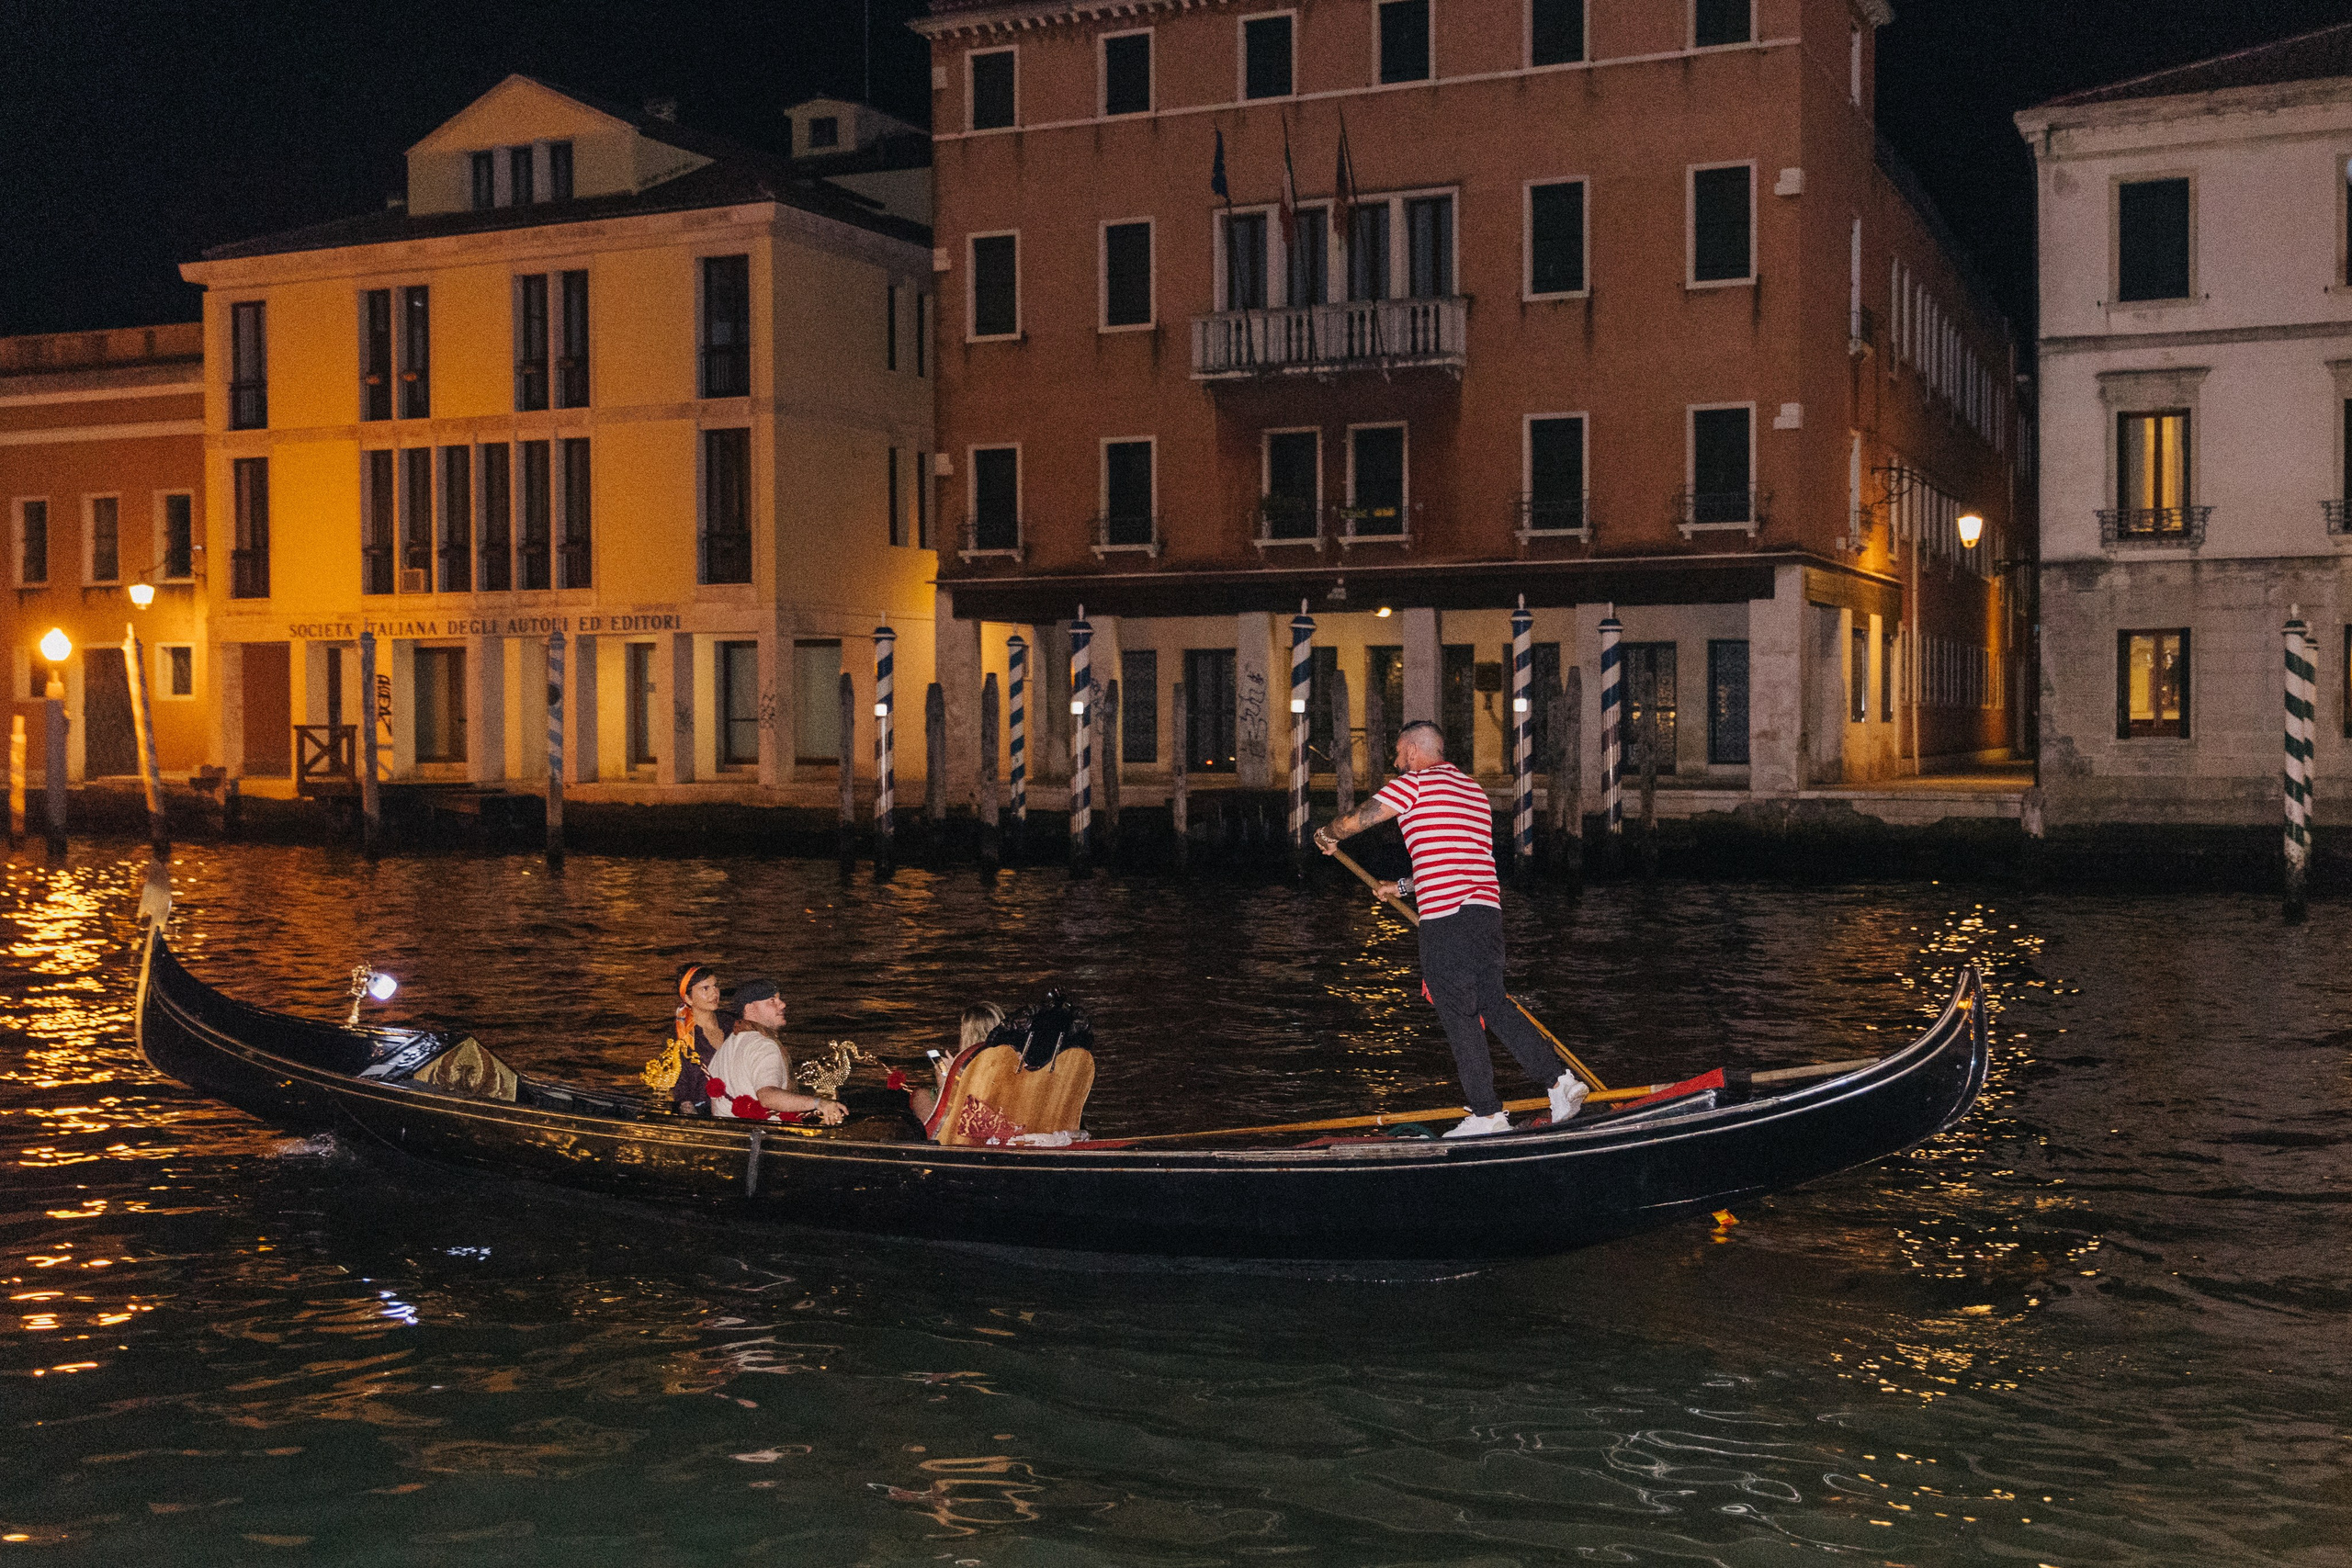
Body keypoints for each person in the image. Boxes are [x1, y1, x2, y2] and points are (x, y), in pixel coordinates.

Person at [1315, 719, 1589, 1138]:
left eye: (1397, 754)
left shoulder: (1415, 784)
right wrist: (1401, 887)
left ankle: (1487, 1114)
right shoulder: (1473, 791)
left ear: (1411, 751)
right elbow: (1451, 859)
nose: (1395, 762)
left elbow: (1359, 820)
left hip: (1447, 920)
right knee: (1493, 1004)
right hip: (1485, 913)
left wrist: (1327, 834)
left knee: (1459, 1014)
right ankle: (1560, 1083)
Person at [705, 978, 849, 1125]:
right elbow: (768, 1096)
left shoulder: (726, 1047)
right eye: (772, 1000)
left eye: (779, 999)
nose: (782, 1004)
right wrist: (820, 1103)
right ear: (750, 1009)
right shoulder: (763, 1045)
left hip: (732, 1138)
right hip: (763, 1140)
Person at [903, 1002, 1005, 1139]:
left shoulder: (970, 1063)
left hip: (962, 1125)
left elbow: (946, 1121)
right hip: (992, 1112)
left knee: (921, 1095)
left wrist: (947, 1081)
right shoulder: (1011, 1061)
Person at [645, 963, 737, 1114]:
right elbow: (679, 1084)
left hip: (740, 1103)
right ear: (688, 998)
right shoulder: (679, 1036)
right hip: (704, 1109)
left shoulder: (732, 1023)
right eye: (705, 989)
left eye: (715, 986)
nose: (714, 993)